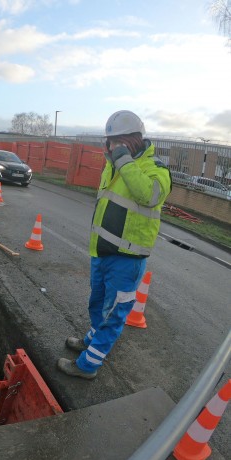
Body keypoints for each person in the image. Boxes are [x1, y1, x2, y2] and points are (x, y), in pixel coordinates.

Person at [57, 110, 172, 380]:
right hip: (103, 251)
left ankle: (88, 366)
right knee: (98, 304)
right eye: (109, 142)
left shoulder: (155, 169)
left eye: (116, 142)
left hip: (127, 257)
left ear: (133, 140)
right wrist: (118, 160)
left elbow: (148, 195)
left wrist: (123, 160)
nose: (110, 147)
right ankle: (93, 340)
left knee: (113, 313)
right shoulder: (114, 165)